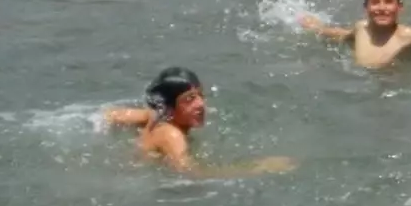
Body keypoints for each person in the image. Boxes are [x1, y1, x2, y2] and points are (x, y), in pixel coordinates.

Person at [103, 67, 294, 176]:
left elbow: (113, 115)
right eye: (189, 99)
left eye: (200, 96)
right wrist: (259, 167)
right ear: (170, 108)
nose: (201, 104)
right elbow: (192, 174)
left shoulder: (154, 115)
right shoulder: (172, 135)